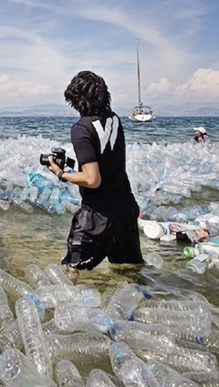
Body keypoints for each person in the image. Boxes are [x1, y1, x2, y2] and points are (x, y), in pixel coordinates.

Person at [45, 71, 143, 283]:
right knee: (130, 270)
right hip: (126, 207)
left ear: (78, 99)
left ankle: (66, 311)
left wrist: (61, 173)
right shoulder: (115, 119)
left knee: (71, 267)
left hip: (97, 214)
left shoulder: (81, 129)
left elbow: (92, 180)